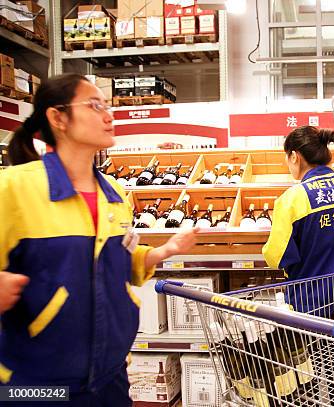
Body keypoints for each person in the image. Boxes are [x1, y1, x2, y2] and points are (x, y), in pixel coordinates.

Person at [0, 74, 199, 406]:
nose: (109, 115)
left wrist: (165, 251)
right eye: (94, 106)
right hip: (36, 382)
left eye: (107, 105)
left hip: (110, 377)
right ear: (58, 117)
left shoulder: (116, 194)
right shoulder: (15, 188)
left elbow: (119, 263)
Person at [262, 125, 334, 316]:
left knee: (316, 347)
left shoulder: (291, 200)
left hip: (309, 304)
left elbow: (276, 258)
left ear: (294, 156)